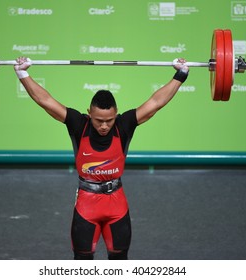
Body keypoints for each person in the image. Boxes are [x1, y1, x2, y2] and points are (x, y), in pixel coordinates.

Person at [14, 57, 189, 260]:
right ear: (90, 114)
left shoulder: (124, 125)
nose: (104, 126)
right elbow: (45, 101)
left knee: (119, 262)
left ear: (116, 115)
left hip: (117, 204)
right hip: (87, 205)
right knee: (83, 263)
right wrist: (22, 74)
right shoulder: (79, 124)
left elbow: (156, 103)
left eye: (109, 120)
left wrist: (181, 75)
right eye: (99, 120)